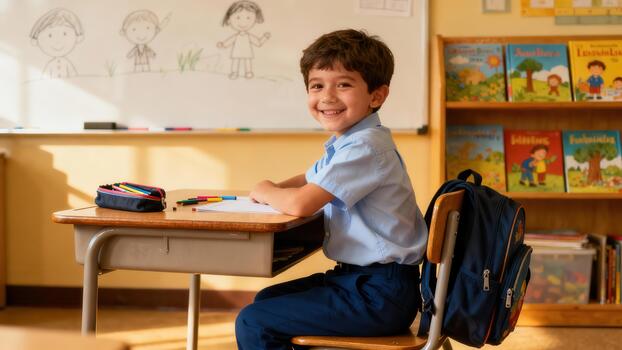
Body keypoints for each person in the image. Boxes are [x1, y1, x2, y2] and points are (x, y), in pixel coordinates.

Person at [235, 29, 427, 350]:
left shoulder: (365, 149)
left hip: (378, 294)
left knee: (254, 320)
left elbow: (301, 204)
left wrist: (265, 188)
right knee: (267, 300)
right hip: (364, 282)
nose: (327, 96)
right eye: (317, 85)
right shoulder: (350, 144)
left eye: (344, 84)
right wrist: (272, 189)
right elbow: (308, 179)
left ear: (376, 96)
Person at [217, 0, 270, 79]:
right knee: (236, 61)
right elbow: (229, 42)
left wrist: (265, 38)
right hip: (237, 51)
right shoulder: (236, 36)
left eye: (248, 18)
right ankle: (234, 73)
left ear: (255, 19)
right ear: (229, 20)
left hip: (246, 50)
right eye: (238, 17)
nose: (243, 22)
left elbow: (258, 43)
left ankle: (248, 72)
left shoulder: (249, 36)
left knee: (247, 61)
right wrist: (223, 45)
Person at [30, 8, 84, 79]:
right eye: (50, 35)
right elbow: (44, 79)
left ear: (77, 37)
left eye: (64, 34)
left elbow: (74, 77)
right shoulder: (50, 65)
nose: (58, 41)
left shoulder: (67, 64)